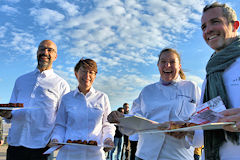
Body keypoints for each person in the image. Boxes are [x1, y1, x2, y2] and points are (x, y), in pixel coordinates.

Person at [108, 48, 201, 160]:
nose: (167, 65)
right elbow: (134, 121)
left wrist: (187, 128)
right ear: (158, 65)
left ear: (179, 66)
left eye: (172, 62)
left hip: (179, 156)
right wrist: (120, 118)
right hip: (145, 155)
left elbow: (202, 119)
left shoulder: (191, 87)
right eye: (163, 62)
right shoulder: (147, 91)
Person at [0, 40, 70, 160]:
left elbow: (63, 119)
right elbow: (11, 111)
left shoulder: (61, 85)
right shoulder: (21, 80)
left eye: (49, 50)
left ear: (55, 56)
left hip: (41, 146)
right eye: (42, 49)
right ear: (37, 52)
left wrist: (56, 139)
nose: (45, 52)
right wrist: (7, 114)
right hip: (15, 143)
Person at [49, 58, 115, 160]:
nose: (87, 76)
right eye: (83, 71)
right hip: (69, 154)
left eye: (91, 72)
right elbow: (60, 125)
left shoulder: (102, 97)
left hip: (94, 155)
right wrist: (56, 139)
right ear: (76, 74)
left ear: (95, 76)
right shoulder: (67, 98)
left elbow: (107, 125)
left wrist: (108, 138)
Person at [200, 2, 240, 160]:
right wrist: (187, 129)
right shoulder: (211, 71)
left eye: (215, 22)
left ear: (234, 25)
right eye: (203, 27)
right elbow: (207, 121)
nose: (208, 30)